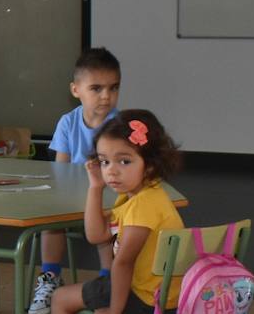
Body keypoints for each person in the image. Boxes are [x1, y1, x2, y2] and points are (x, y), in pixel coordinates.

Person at [51, 110, 184, 314]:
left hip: (147, 296)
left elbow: (123, 263)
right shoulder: (137, 196)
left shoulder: (143, 205)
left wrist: (115, 311)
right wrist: (95, 187)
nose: (111, 171)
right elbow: (97, 236)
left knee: (60, 298)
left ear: (150, 165)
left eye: (124, 161)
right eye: (105, 161)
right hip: (155, 290)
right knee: (97, 305)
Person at [30, 47, 123, 314]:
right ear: (76, 90)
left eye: (113, 88)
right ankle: (50, 277)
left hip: (108, 198)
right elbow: (61, 171)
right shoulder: (68, 123)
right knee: (52, 221)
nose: (106, 96)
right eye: (96, 88)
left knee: (106, 221)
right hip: (73, 197)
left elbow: (122, 173)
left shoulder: (119, 126)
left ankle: (108, 278)